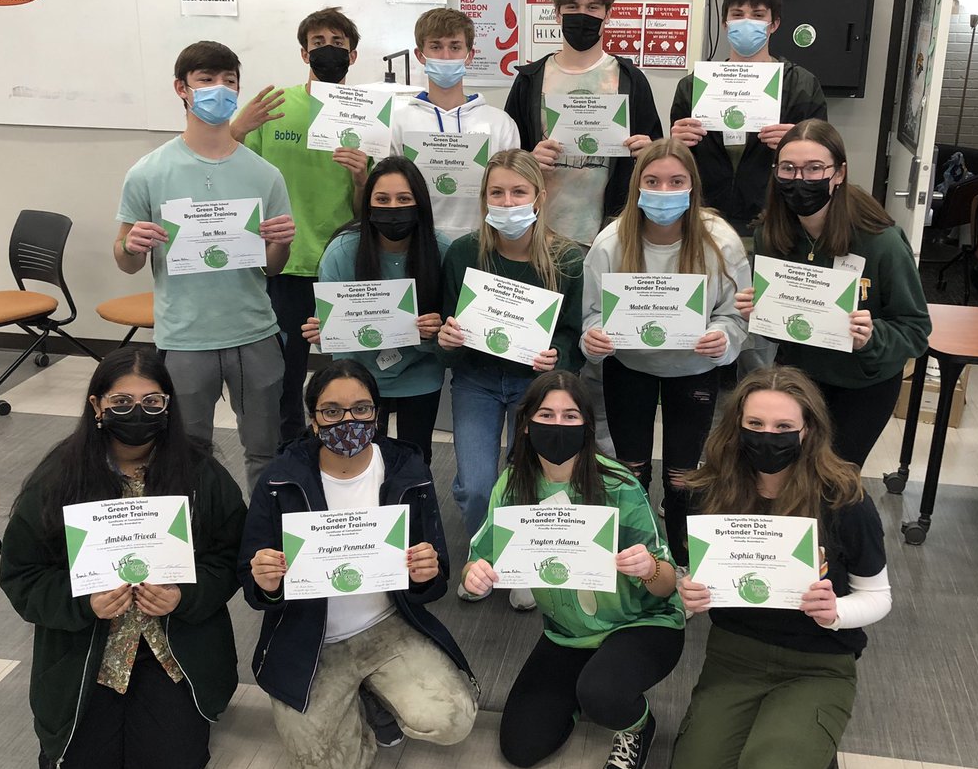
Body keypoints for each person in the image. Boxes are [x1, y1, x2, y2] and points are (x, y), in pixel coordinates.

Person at [0, 347, 247, 769]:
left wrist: (183, 597)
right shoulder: (59, 479)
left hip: (169, 647)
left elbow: (231, 554)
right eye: (121, 403)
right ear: (96, 406)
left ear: (169, 406)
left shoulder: (199, 473)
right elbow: (22, 574)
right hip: (90, 650)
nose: (138, 413)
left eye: (153, 403)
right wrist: (82, 603)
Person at [239, 360, 477, 769]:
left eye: (361, 409)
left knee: (454, 720)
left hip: (388, 625)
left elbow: (436, 573)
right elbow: (251, 584)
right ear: (313, 419)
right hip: (312, 638)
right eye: (331, 412)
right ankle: (360, 711)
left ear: (377, 413)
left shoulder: (409, 469)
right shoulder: (278, 479)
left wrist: (426, 572)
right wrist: (265, 580)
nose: (348, 422)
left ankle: (371, 689)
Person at [666, 365, 892, 769]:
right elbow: (688, 573)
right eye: (756, 425)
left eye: (784, 427)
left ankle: (813, 749)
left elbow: (879, 596)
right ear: (737, 427)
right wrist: (685, 593)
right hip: (734, 656)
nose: (768, 437)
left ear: (808, 431)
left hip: (818, 662)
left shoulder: (844, 498)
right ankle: (784, 741)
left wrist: (835, 612)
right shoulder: (708, 492)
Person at [462, 372, 685, 769]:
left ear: (587, 424)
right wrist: (475, 575)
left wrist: (647, 568)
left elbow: (668, 583)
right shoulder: (511, 486)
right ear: (525, 423)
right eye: (546, 414)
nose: (558, 425)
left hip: (641, 623)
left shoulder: (618, 483)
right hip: (567, 634)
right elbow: (481, 555)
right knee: (520, 747)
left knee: (604, 691)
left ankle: (637, 724)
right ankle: (588, 690)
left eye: (570, 415)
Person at [114, 40, 295, 491]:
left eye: (229, 81)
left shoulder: (264, 174)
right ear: (182, 88)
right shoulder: (149, 172)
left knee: (264, 450)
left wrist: (279, 244)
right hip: (185, 336)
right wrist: (132, 245)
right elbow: (125, 261)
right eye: (206, 80)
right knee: (185, 453)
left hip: (254, 332)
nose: (220, 90)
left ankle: (262, 541)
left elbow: (272, 269)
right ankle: (197, 540)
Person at [582, 138, 751, 567]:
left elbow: (736, 315)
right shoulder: (610, 244)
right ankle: (637, 558)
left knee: (683, 476)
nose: (663, 191)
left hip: (693, 368)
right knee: (632, 468)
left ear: (693, 186)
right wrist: (594, 338)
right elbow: (590, 317)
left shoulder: (721, 243)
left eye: (676, 181)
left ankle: (679, 558)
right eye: (653, 181)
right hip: (630, 367)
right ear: (637, 186)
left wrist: (722, 336)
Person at [734, 119, 931, 467]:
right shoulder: (770, 234)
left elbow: (915, 331)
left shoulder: (880, 241)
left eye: (814, 169)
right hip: (800, 380)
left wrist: (871, 337)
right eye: (789, 168)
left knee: (833, 480)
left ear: (838, 173)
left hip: (862, 385)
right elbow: (781, 324)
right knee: (785, 472)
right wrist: (758, 313)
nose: (800, 180)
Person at [437, 149, 585, 609]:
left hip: (534, 389)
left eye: (518, 191)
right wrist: (448, 335)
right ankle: (486, 556)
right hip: (477, 381)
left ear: (539, 196)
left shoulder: (566, 259)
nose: (507, 201)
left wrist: (559, 354)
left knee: (529, 479)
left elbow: (576, 333)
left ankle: (522, 561)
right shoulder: (464, 253)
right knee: (477, 484)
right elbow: (449, 322)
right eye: (496, 193)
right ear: (483, 198)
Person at [231, 7, 371, 441]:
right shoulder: (275, 107)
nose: (327, 51)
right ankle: (291, 452)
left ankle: (352, 445)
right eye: (318, 44)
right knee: (285, 374)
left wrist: (362, 175)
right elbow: (228, 167)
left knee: (351, 366)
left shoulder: (368, 114)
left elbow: (376, 205)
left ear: (353, 54)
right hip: (285, 262)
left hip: (344, 261)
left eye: (337, 44)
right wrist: (236, 129)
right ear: (303, 53)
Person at [299, 157, 448, 464]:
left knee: (416, 459)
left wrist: (438, 331)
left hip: (419, 370)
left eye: (404, 199)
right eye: (382, 199)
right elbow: (328, 334)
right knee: (358, 457)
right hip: (359, 372)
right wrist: (321, 334)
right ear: (367, 205)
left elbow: (452, 336)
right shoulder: (343, 251)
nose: (393, 207)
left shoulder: (441, 250)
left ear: (420, 203)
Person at [504, 0, 663, 247]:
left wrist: (647, 151)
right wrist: (529, 159)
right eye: (572, 6)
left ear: (608, 14)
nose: (583, 15)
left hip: (610, 233)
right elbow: (507, 161)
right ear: (557, 14)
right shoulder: (529, 80)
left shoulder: (630, 79)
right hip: (538, 232)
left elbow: (656, 152)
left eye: (593, 7)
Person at [670, 0, 828, 239]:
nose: (746, 22)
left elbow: (824, 159)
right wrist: (675, 144)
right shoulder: (693, 86)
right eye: (737, 14)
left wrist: (797, 145)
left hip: (776, 221)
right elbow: (678, 164)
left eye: (757, 15)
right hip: (705, 220)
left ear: (773, 24)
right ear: (725, 23)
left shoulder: (802, 85)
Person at [392, 7, 521, 239]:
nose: (445, 56)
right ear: (420, 55)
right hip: (418, 242)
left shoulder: (500, 123)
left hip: (483, 242)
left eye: (455, 47)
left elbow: (510, 192)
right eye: (435, 46)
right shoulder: (398, 123)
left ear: (469, 55)